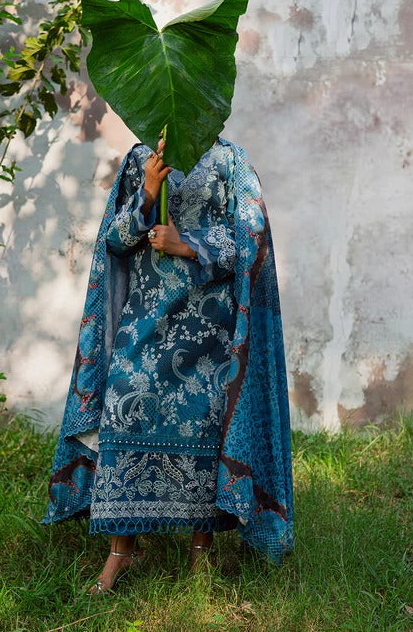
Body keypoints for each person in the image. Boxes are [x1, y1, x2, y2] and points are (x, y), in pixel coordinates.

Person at [41, 130, 294, 595]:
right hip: (143, 321)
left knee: (202, 422)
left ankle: (201, 552)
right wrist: (149, 191)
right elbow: (114, 242)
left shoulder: (230, 161)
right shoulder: (141, 159)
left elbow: (250, 244)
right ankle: (121, 550)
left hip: (209, 330)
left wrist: (186, 243)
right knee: (123, 408)